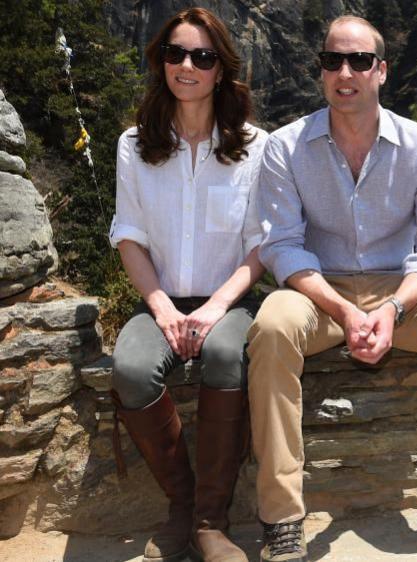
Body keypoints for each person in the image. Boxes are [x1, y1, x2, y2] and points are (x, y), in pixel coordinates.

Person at [247, 15, 417, 562]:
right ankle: (282, 517)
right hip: (317, 292)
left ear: (382, 71)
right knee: (271, 327)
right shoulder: (285, 147)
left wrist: (394, 308)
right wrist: (344, 311)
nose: (344, 72)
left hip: (403, 289)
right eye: (332, 61)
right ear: (321, 71)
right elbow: (282, 248)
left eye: (359, 61)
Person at [108, 7, 267, 562]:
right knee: (129, 368)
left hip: (231, 302)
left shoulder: (253, 145)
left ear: (220, 69)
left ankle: (210, 522)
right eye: (175, 53)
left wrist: (216, 308)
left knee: (228, 356)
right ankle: (182, 505)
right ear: (162, 62)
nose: (187, 66)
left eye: (202, 56)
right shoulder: (135, 144)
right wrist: (163, 310)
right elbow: (129, 236)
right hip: (161, 299)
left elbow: (259, 247)